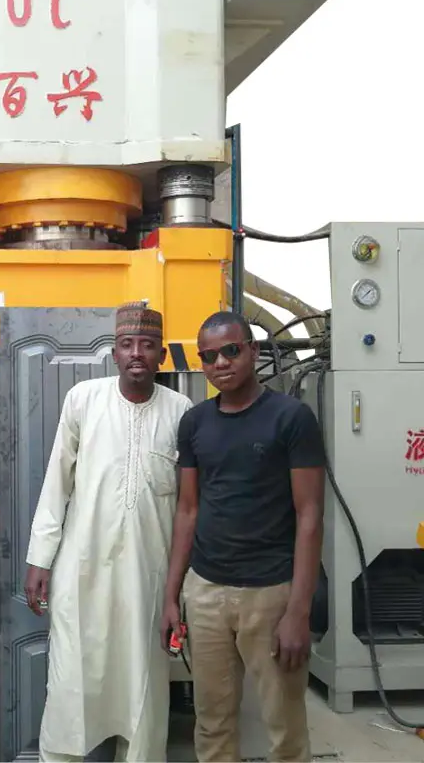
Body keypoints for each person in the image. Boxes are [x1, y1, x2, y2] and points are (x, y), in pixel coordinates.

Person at [24, 301, 192, 763]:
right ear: (113, 353)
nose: (136, 353)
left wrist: (181, 590)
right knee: (71, 681)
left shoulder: (182, 411)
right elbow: (57, 479)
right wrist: (40, 558)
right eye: (126, 344)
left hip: (148, 576)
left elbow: (188, 506)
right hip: (82, 570)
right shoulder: (84, 398)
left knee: (144, 682)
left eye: (147, 345)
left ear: (162, 354)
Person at [161, 310, 325, 763]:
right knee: (212, 724)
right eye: (209, 356)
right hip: (207, 592)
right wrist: (173, 596)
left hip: (270, 595)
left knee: (284, 729)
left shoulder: (292, 418)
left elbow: (309, 514)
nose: (220, 363)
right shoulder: (195, 424)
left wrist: (298, 611)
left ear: (253, 351)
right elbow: (188, 510)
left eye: (231, 351)